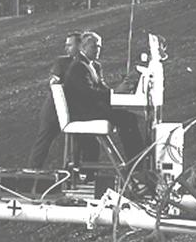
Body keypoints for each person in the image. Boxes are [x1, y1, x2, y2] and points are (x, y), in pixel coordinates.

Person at [61, 30, 146, 162]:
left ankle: (138, 161)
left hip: (91, 109)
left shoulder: (92, 65)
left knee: (127, 117)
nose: (98, 50)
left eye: (99, 47)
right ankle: (138, 163)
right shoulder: (79, 66)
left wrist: (119, 90)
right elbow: (88, 94)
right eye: (94, 47)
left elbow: (101, 88)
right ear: (83, 47)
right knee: (127, 118)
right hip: (83, 113)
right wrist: (113, 94)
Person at [25, 31, 99, 168]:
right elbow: (55, 79)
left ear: (80, 46)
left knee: (86, 141)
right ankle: (32, 172)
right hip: (54, 110)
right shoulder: (62, 62)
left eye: (70, 45)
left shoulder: (94, 66)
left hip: (78, 111)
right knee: (44, 141)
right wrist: (55, 82)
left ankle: (80, 173)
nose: (66, 48)